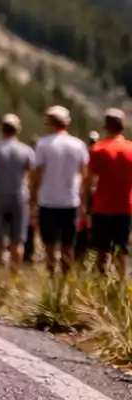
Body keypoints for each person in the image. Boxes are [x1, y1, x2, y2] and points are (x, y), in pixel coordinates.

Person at [31, 105, 88, 277]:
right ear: (67, 122)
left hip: (48, 200)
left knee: (49, 244)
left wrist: (32, 200)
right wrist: (83, 203)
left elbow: (36, 176)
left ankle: (51, 276)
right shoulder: (78, 145)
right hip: (70, 201)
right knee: (67, 244)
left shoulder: (43, 144)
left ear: (49, 122)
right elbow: (84, 176)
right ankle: (65, 278)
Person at [0, 113, 37, 278]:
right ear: (18, 130)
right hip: (19, 196)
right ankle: (13, 278)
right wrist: (32, 201)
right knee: (16, 241)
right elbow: (32, 178)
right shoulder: (26, 151)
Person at [85, 108, 132, 278]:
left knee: (102, 251)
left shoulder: (98, 149)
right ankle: (121, 285)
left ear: (106, 127)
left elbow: (89, 181)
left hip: (102, 206)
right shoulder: (130, 149)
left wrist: (86, 206)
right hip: (125, 207)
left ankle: (101, 284)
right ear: (123, 127)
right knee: (122, 250)